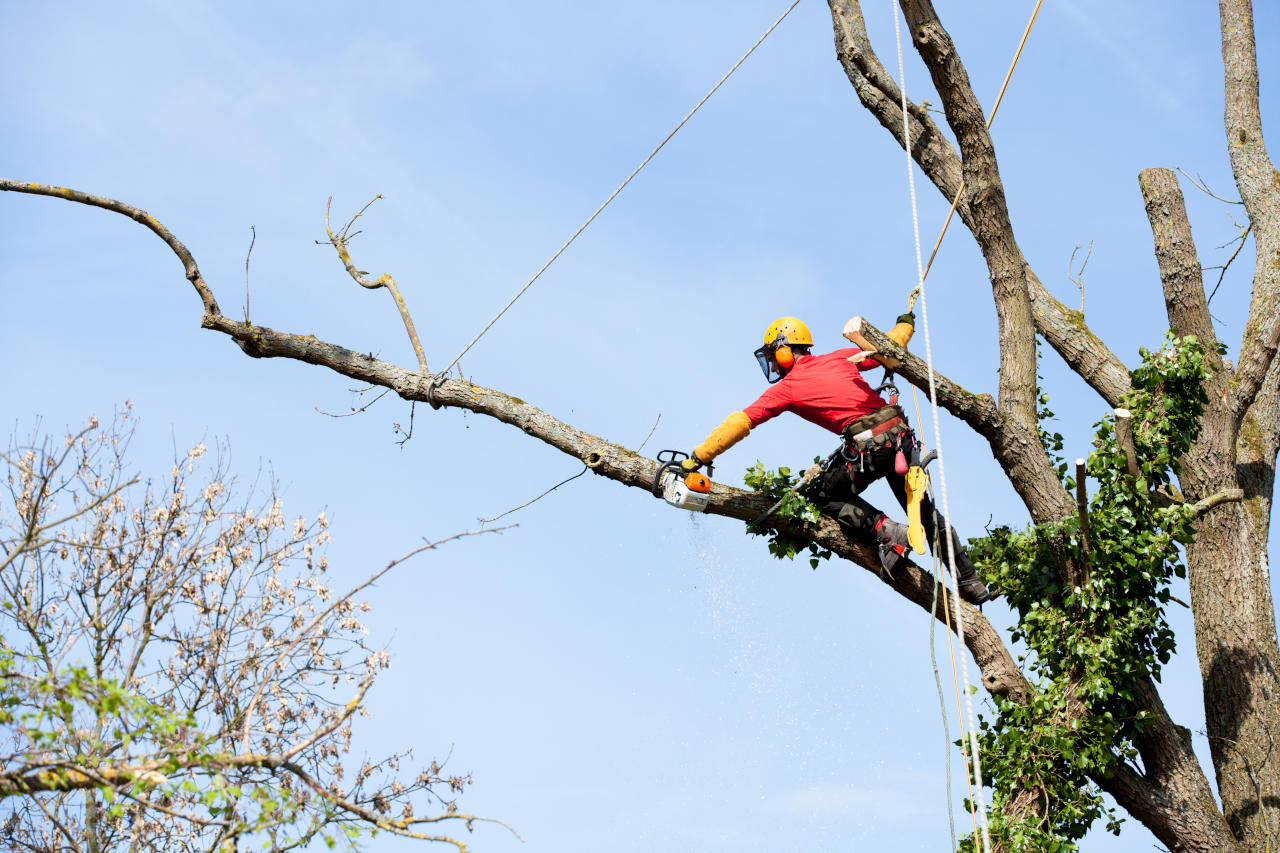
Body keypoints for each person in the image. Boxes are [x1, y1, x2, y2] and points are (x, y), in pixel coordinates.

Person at [682, 316, 992, 605]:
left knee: (822, 497)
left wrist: (698, 457)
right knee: (925, 514)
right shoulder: (840, 358)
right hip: (900, 440)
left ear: (783, 352)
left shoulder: (787, 389)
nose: (774, 367)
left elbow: (740, 422)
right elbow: (889, 345)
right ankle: (970, 579)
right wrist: (905, 324)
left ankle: (889, 532)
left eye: (773, 357)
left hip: (869, 448)